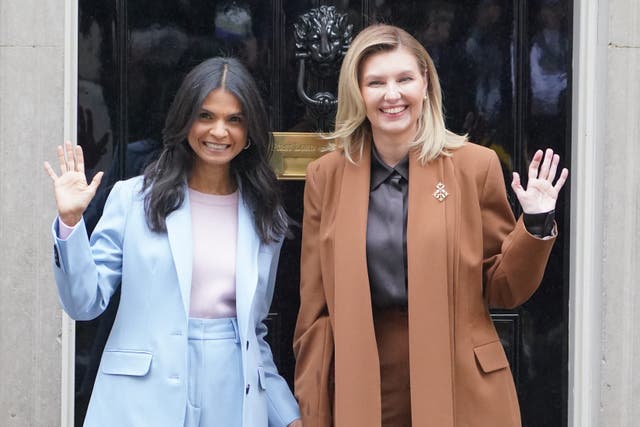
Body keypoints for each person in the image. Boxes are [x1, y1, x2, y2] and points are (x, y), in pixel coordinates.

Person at [293, 24, 568, 427]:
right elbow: (313, 311)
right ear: (357, 91)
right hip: (363, 382)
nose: (392, 95)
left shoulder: (475, 165)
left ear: (425, 85)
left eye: (405, 79)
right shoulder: (326, 175)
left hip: (461, 384)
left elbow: (503, 287)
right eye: (376, 82)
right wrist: (313, 405)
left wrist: (536, 223)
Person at [44, 57, 302, 427]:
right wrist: (71, 224)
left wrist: (287, 415)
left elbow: (254, 334)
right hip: (141, 399)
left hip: (231, 393)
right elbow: (84, 304)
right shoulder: (133, 199)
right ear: (185, 120)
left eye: (234, 120)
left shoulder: (265, 215)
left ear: (249, 132)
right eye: (206, 116)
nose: (219, 131)